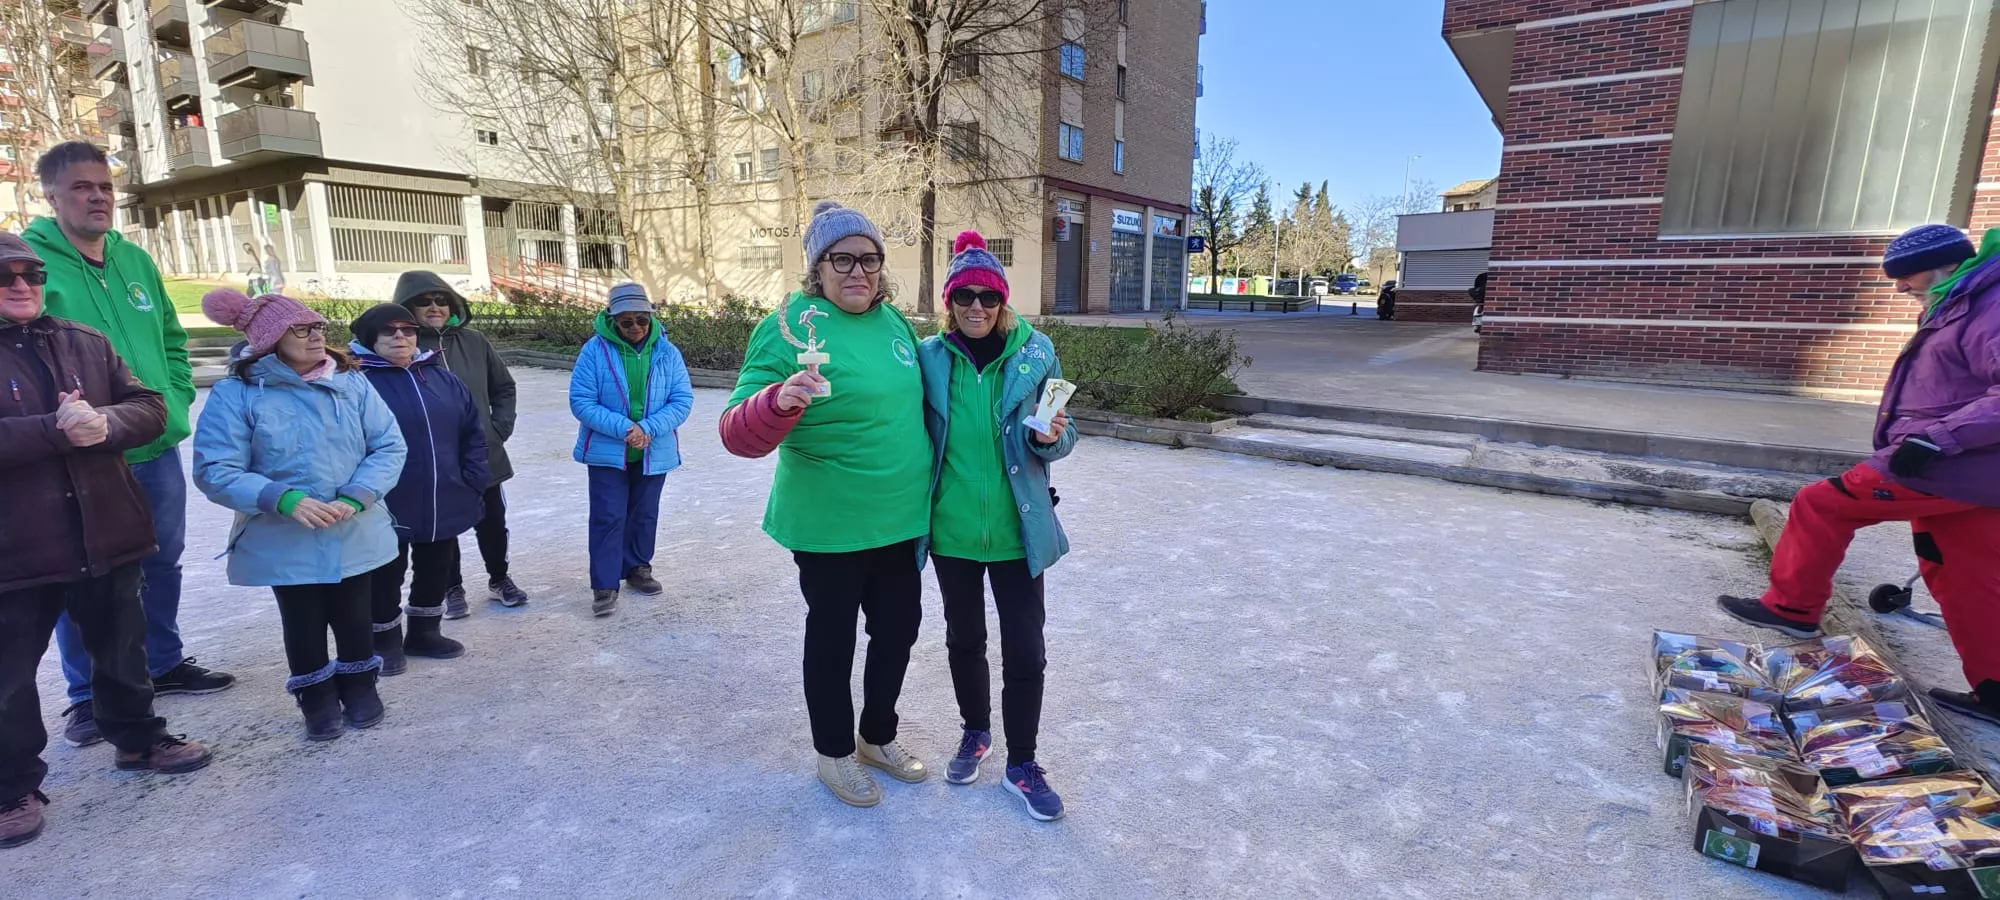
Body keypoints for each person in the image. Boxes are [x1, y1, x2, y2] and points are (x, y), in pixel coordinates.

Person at [1719, 223, 2000, 724]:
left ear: (1944, 263)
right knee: (1965, 574)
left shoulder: (1988, 304)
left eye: (1904, 276)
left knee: (1821, 503)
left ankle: (1792, 608)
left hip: (1946, 465)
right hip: (1970, 475)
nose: (1899, 287)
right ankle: (1997, 690)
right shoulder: (1964, 298)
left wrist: (1936, 438)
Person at [0, 232, 212, 849]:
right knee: (8, 675)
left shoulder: (82, 341)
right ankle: (12, 787)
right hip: (17, 549)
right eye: (5, 275)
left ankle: (138, 739)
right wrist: (57, 429)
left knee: (122, 648)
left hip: (106, 532)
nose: (21, 285)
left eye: (32, 273)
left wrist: (106, 422)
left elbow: (147, 405)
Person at [719, 200, 933, 807]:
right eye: (842, 259)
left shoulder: (893, 324)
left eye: (868, 259)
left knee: (898, 630)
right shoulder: (789, 324)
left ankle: (876, 737)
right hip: (829, 524)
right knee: (834, 639)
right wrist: (778, 402)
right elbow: (736, 431)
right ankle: (834, 754)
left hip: (899, 518)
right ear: (818, 266)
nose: (857, 271)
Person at [25, 141, 234, 751]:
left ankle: (162, 662)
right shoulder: (29, 263)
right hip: (84, 456)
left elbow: (170, 333)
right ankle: (90, 695)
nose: (97, 197)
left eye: (106, 187)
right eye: (81, 187)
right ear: (51, 196)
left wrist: (170, 399)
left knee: (161, 560)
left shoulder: (134, 260)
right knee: (83, 572)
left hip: (153, 444)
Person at [192, 288, 406, 742]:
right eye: (301, 329)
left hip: (353, 523)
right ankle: (316, 697)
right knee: (302, 618)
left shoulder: (351, 382)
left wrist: (358, 495)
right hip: (284, 534)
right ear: (271, 339)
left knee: (354, 610)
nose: (315, 337)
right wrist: (280, 498)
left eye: (318, 328)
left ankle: (360, 685)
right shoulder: (238, 394)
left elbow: (388, 444)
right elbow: (216, 468)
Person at [918, 231, 1078, 821]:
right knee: (964, 639)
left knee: (1026, 650)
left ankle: (1023, 763)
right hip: (951, 534)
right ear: (949, 303)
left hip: (1018, 531)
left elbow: (1067, 430)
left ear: (1003, 301)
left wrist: (1055, 437)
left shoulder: (1035, 354)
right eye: (965, 298)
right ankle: (975, 731)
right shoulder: (929, 358)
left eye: (988, 297)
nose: (977, 308)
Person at [351, 303, 488, 673]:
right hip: (387, 500)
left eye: (407, 330)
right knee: (385, 573)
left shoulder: (441, 377)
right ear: (369, 338)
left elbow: (472, 432)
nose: (400, 337)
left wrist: (473, 478)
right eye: (389, 331)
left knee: (436, 567)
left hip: (445, 493)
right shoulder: (356, 381)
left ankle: (425, 632)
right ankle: (385, 640)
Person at [393, 270, 526, 614]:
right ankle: (451, 587)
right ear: (408, 307)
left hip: (484, 453)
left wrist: (499, 429)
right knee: (443, 527)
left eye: (441, 300)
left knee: (492, 521)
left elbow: (504, 387)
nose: (434, 306)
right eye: (424, 301)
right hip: (435, 459)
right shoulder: (404, 346)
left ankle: (500, 578)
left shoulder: (475, 341)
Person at [568, 282, 694, 617]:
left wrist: (648, 429)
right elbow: (581, 401)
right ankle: (605, 583)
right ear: (612, 320)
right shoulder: (593, 351)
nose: (636, 327)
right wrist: (626, 429)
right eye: (626, 321)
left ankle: (638, 567)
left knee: (645, 513)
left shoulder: (668, 352)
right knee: (608, 516)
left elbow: (682, 400)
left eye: (642, 319)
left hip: (655, 448)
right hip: (609, 452)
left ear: (652, 318)